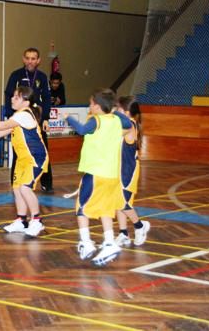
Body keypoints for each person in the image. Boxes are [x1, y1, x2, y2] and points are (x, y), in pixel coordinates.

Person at [62, 88, 132, 266]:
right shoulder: (116, 120)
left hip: (96, 173)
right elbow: (128, 123)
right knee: (105, 209)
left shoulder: (96, 121)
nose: (89, 106)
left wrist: (69, 117)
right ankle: (109, 242)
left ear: (99, 107)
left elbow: (82, 129)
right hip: (112, 175)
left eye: (91, 104)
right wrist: (113, 109)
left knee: (82, 208)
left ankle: (86, 243)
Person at [0, 86, 49, 237]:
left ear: (26, 102)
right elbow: (0, 133)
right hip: (23, 159)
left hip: (35, 158)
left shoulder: (25, 115)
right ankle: (21, 220)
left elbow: (4, 125)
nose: (12, 99)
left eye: (16, 97)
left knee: (25, 188)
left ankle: (37, 221)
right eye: (13, 96)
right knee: (18, 189)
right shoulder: (17, 116)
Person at [4, 48, 53, 193]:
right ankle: (15, 182)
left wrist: (46, 118)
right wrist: (10, 115)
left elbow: (47, 99)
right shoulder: (16, 75)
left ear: (38, 60)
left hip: (36, 119)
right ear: (23, 59)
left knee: (43, 151)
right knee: (18, 150)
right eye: (28, 58)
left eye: (33, 58)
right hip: (19, 118)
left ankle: (46, 183)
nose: (30, 61)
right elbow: (8, 95)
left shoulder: (42, 77)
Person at [114, 96, 150, 247]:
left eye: (118, 109)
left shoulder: (129, 125)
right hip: (119, 168)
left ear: (126, 112)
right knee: (117, 202)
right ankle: (123, 233)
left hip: (128, 170)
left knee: (122, 202)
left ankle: (140, 226)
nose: (115, 111)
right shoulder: (124, 124)